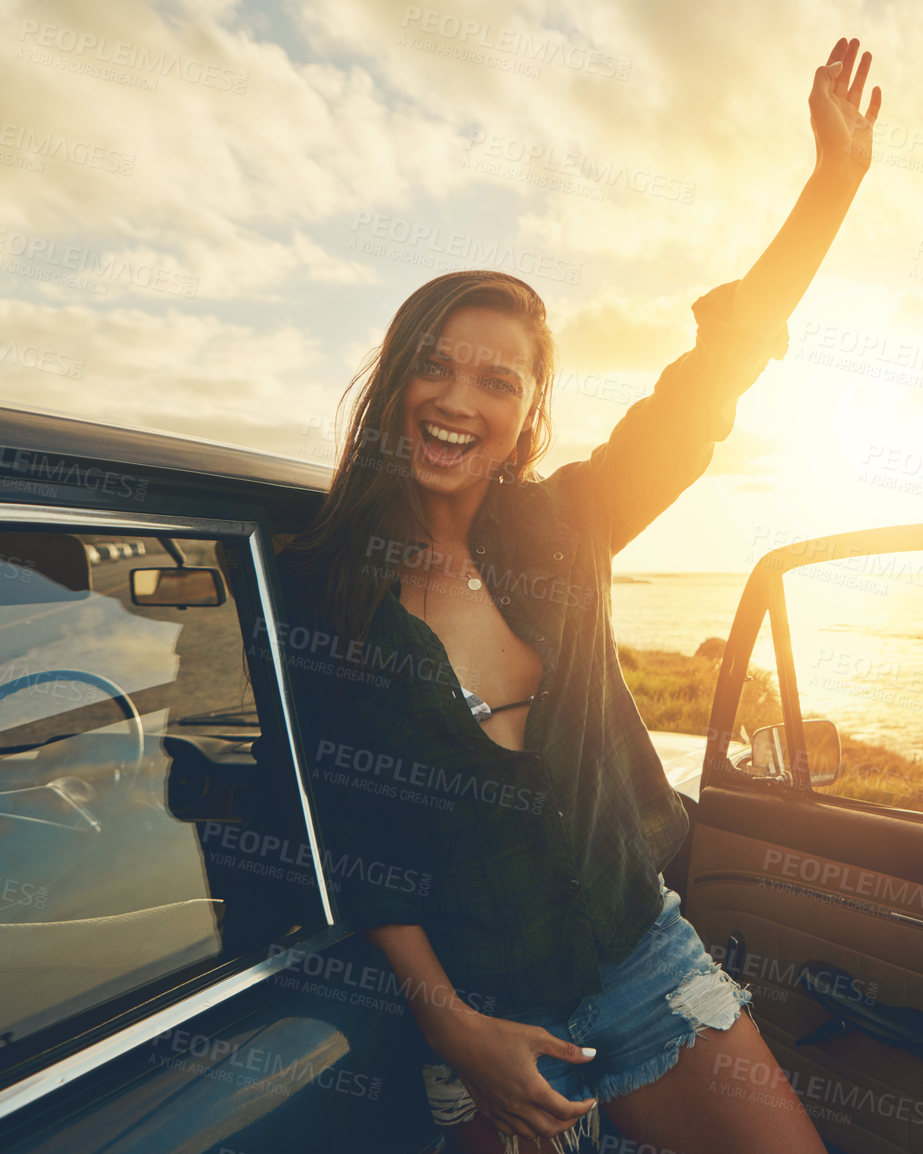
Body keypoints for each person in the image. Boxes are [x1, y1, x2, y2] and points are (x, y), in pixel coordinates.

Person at [269, 36, 881, 1154]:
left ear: (526, 416)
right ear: (398, 378)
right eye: (436, 365)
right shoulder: (317, 585)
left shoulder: (567, 523)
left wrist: (829, 188)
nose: (459, 399)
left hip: (642, 960)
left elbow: (711, 379)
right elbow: (362, 841)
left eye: (496, 379)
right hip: (484, 1015)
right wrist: (457, 1034)